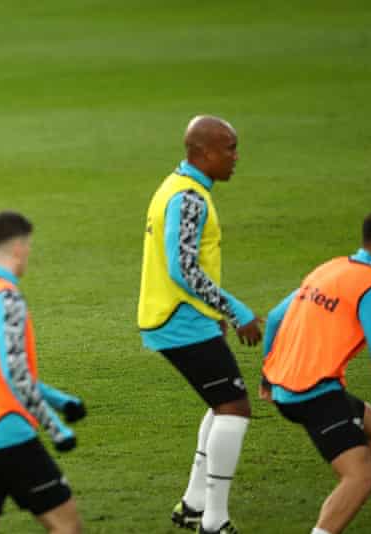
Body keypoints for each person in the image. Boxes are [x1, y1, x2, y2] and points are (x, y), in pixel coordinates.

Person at [137, 116, 263, 533]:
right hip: (178, 321)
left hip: (182, 317)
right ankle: (215, 520)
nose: (236, 157)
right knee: (234, 408)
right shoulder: (188, 197)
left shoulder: (175, 186)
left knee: (220, 402)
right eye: (230, 148)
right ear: (203, 152)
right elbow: (183, 269)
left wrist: (213, 315)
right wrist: (235, 310)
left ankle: (194, 504)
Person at [261, 210, 371, 534]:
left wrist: (267, 377)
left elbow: (274, 318)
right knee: (359, 477)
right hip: (314, 393)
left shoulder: (331, 268)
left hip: (286, 389)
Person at [0, 211, 86, 534]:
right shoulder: (6, 298)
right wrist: (57, 428)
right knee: (67, 527)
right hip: (6, 435)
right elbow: (16, 375)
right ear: (19, 248)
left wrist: (62, 401)